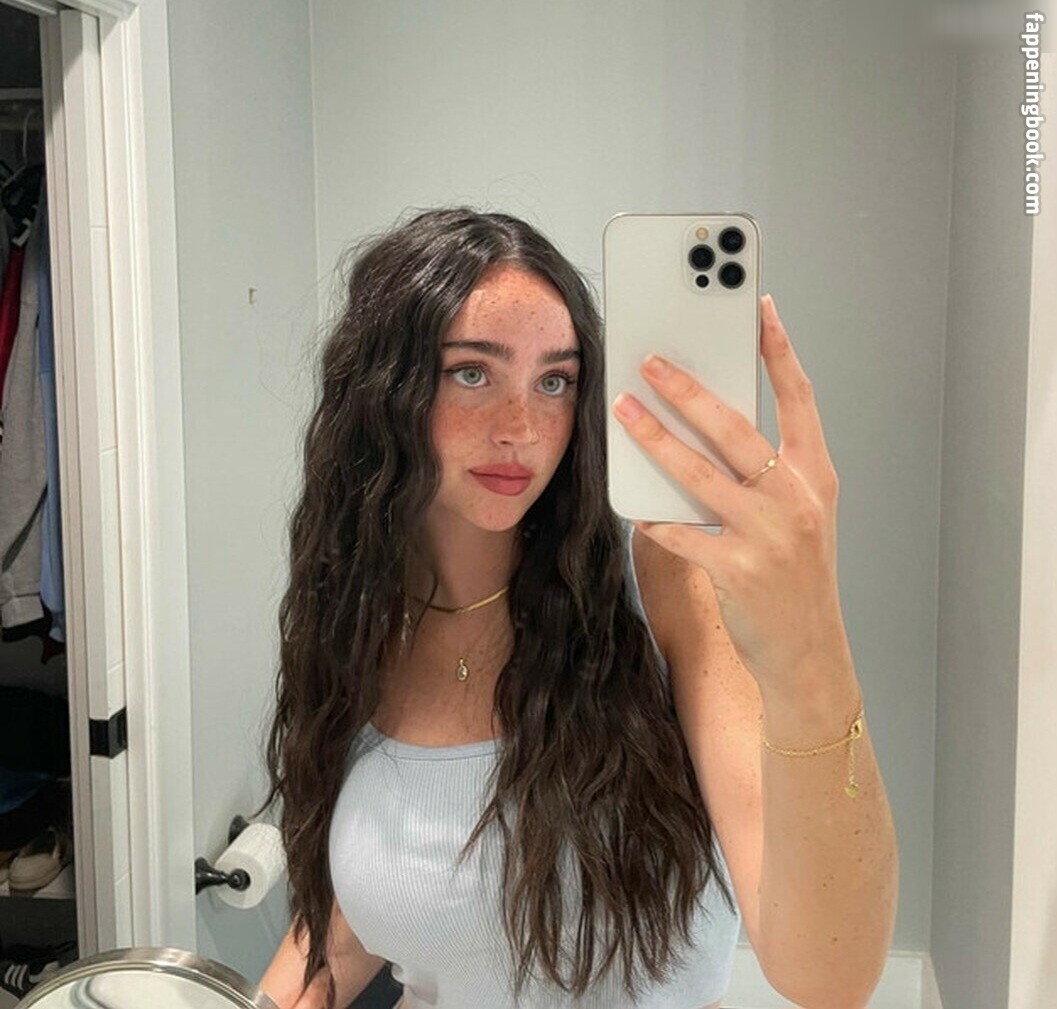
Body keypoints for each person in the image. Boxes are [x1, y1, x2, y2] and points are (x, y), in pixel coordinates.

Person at [256, 208, 898, 1009]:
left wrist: (809, 642)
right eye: (471, 372)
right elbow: (374, 895)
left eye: (554, 380)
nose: (522, 428)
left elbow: (828, 976)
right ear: (382, 391)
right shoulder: (357, 613)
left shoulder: (661, 578)